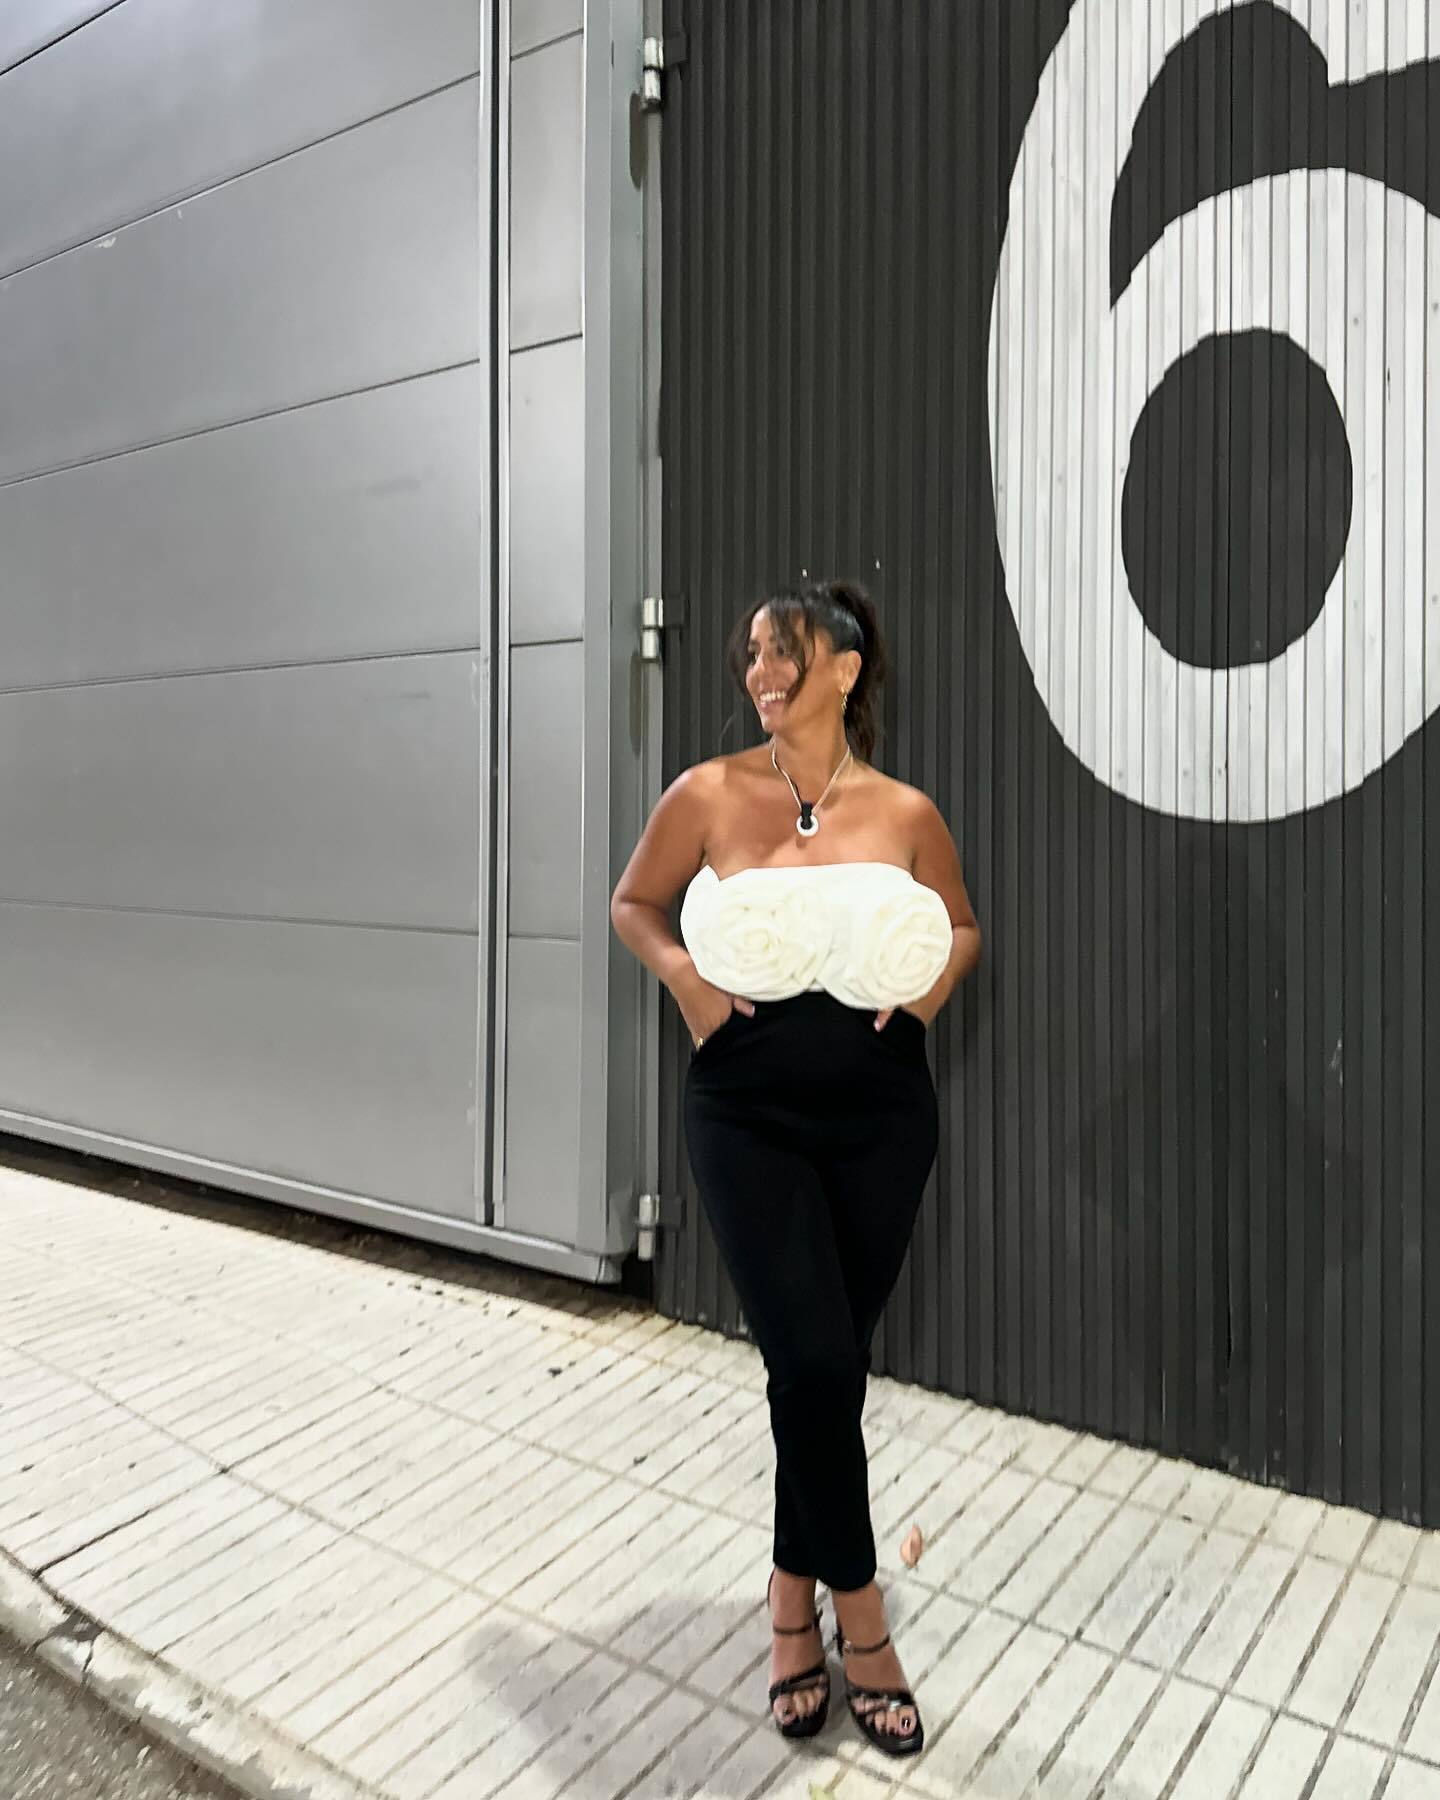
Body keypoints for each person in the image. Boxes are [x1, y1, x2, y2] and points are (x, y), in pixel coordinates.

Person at [610, 579, 981, 1757]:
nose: (761, 674)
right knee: (813, 1359)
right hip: (747, 1111)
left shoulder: (906, 812)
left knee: (821, 1374)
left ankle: (786, 1596)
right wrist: (690, 987)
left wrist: (919, 1004)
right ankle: (859, 1620)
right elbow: (634, 904)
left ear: (845, 669)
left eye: (786, 653)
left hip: (882, 1116)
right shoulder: (707, 793)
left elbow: (962, 926)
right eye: (752, 658)